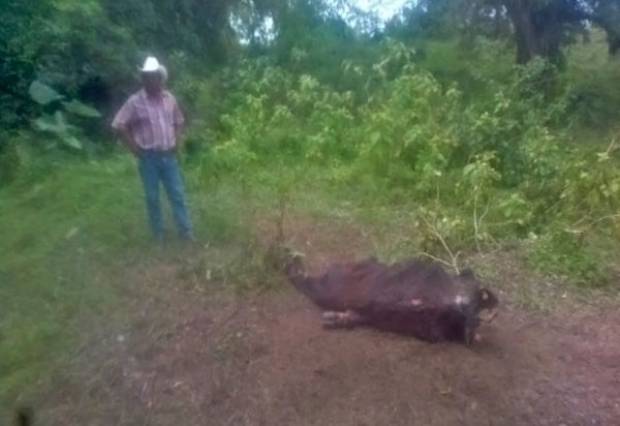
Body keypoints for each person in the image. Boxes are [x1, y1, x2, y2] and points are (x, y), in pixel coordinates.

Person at [112, 56, 194, 242]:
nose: (150, 80)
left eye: (154, 76)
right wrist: (134, 148)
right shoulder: (135, 101)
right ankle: (159, 236)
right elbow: (119, 124)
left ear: (160, 77)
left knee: (177, 194)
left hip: (169, 156)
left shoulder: (169, 99)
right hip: (148, 158)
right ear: (143, 78)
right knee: (152, 198)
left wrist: (177, 141)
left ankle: (186, 233)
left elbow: (179, 121)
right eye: (146, 76)